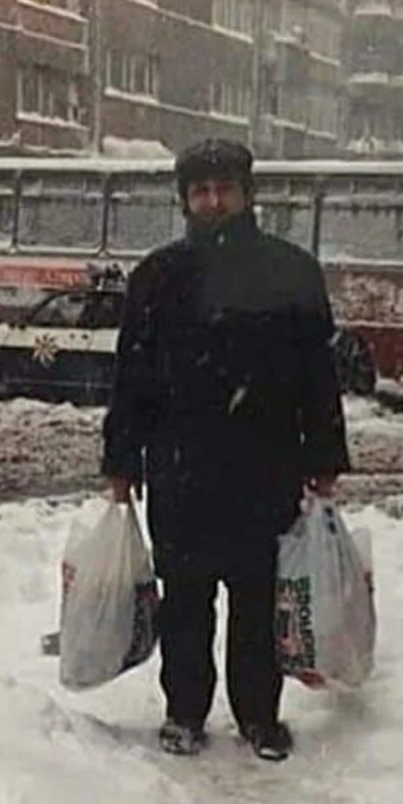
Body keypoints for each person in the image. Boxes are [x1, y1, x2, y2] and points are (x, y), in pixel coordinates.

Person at [101, 139, 350, 762]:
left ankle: (259, 717)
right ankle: (184, 712)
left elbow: (317, 375)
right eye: (200, 191)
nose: (213, 201)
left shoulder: (291, 271)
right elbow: (131, 374)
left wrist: (323, 459)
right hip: (179, 467)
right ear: (184, 200)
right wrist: (121, 460)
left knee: (258, 602)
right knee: (184, 602)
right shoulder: (158, 275)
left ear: (247, 194)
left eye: (225, 189)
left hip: (265, 467)